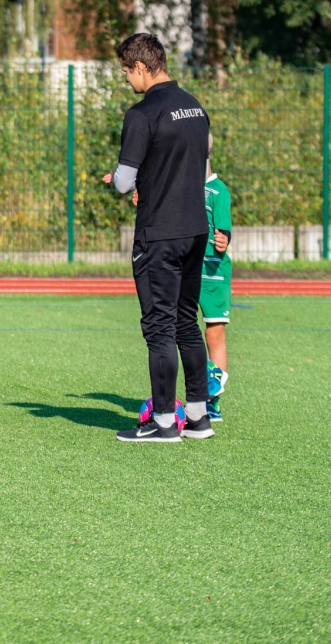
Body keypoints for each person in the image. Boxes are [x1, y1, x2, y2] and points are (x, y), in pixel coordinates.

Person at [104, 32, 214, 442]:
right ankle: (200, 417)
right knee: (188, 321)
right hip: (195, 228)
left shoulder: (142, 113)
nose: (126, 80)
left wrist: (120, 178)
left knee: (159, 326)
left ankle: (165, 421)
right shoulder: (196, 108)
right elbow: (188, 167)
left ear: (140, 67)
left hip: (159, 233)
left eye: (126, 72)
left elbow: (123, 182)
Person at [201, 133, 232, 421]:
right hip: (185, 270)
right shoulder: (180, 187)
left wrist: (223, 240)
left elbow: (224, 229)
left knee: (214, 332)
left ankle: (214, 400)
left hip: (213, 273)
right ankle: (196, 391)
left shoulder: (219, 191)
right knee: (181, 329)